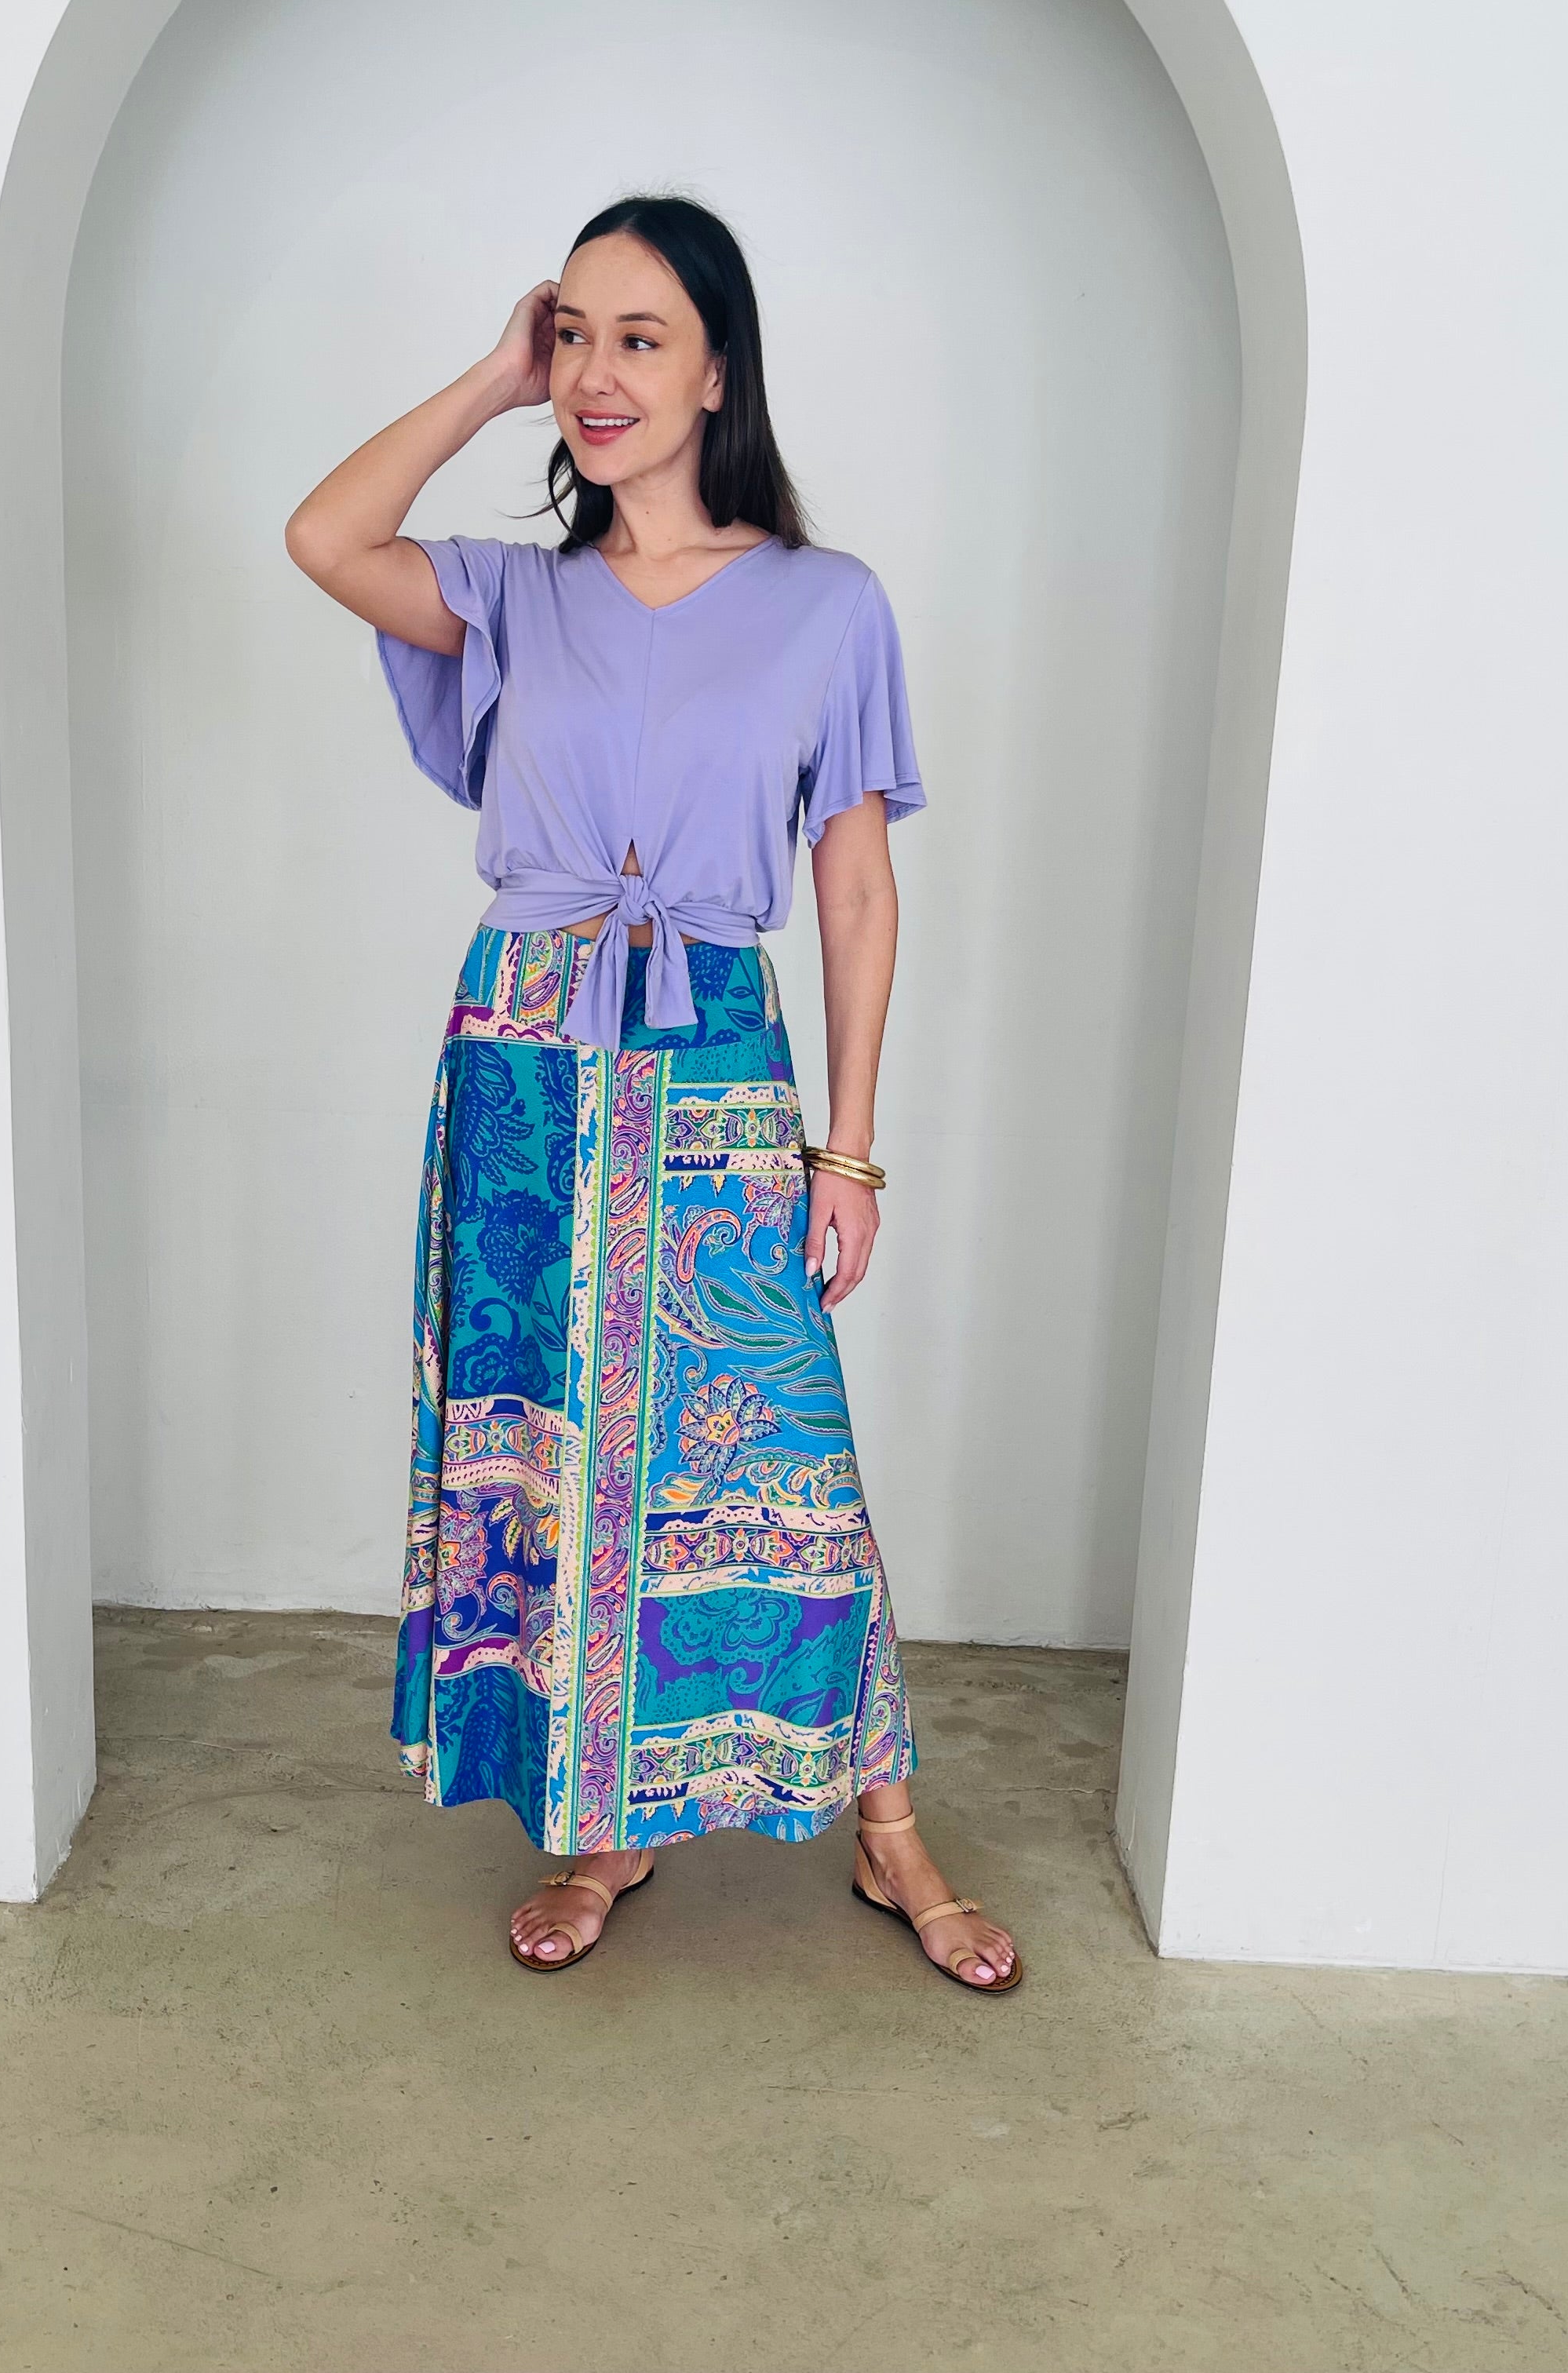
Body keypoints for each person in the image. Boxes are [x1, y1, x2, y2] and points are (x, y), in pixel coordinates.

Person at [286, 195, 1020, 1992]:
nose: (598, 376)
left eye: (640, 339)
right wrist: (487, 376)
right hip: (526, 1061)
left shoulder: (824, 609)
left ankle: (886, 1826)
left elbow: (854, 886)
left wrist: (849, 1144)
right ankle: (601, 1819)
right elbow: (323, 533)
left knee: (780, 1462)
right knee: (555, 1450)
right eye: (577, 335)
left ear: (715, 374)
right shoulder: (513, 593)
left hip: (707, 1044)